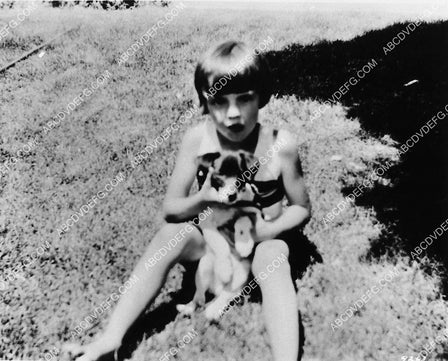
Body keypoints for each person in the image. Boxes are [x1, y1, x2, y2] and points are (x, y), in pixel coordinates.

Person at [63, 40, 311, 361]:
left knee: (275, 253)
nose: (233, 113)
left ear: (262, 96)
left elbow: (301, 208)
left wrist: (266, 231)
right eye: (219, 101)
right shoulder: (198, 139)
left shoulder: (280, 144)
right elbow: (171, 210)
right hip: (211, 243)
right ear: (205, 103)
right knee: (170, 236)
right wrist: (204, 197)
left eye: (245, 99)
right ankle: (110, 340)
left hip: (259, 244)